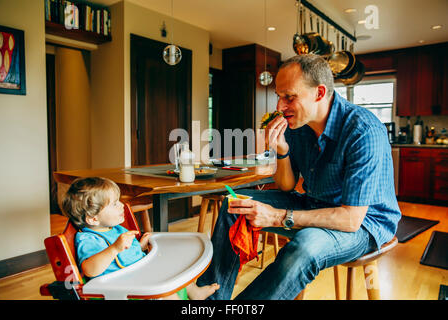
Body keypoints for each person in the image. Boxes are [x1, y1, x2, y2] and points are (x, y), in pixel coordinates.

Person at [196, 54, 401, 300]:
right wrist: (282, 150)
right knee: (235, 204)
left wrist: (277, 216)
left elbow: (350, 219)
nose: (279, 107)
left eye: (289, 97)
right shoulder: (298, 126)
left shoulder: (363, 131)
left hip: (365, 224)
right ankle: (209, 301)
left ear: (319, 92)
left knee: (305, 246)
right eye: (279, 96)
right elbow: (287, 185)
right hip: (314, 203)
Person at [61, 176, 219, 300]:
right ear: (93, 219)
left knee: (173, 269)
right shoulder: (88, 239)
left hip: (138, 275)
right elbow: (90, 269)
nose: (122, 205)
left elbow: (126, 253)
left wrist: (140, 246)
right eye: (115, 204)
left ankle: (195, 293)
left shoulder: (114, 228)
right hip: (120, 287)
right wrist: (114, 248)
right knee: (166, 292)